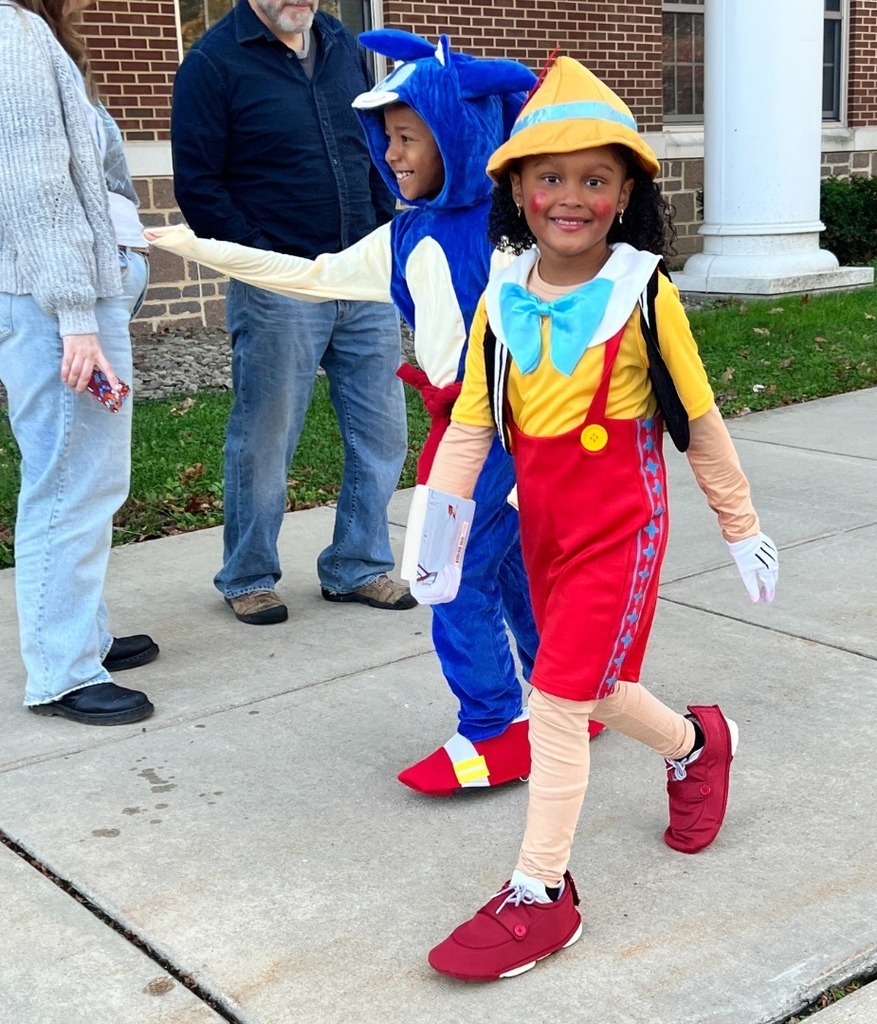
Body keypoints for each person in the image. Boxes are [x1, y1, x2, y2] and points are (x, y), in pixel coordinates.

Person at [148, 31, 604, 795]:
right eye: (384, 138)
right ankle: (567, 699)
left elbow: (578, 338)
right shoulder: (405, 234)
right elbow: (313, 275)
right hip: (460, 430)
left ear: (455, 133)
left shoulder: (516, 240)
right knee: (509, 572)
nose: (390, 154)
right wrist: (199, 247)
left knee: (448, 578)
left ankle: (494, 732)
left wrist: (554, 451)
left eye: (405, 137)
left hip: (514, 437)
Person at [404, 57, 779, 981]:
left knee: (560, 699)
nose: (570, 197)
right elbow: (469, 426)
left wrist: (740, 526)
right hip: (547, 532)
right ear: (517, 188)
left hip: (622, 529)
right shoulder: (503, 294)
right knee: (598, 685)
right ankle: (697, 743)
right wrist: (439, 533)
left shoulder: (644, 293)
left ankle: (542, 893)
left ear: (624, 196)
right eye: (550, 177)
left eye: (594, 179)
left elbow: (697, 422)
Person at [170, 0, 414, 625]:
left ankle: (357, 565)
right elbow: (199, 184)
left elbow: (373, 149)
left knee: (381, 429)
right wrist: (264, 259)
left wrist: (386, 232)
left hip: (361, 274)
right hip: (279, 284)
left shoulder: (341, 45)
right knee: (266, 435)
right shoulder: (213, 62)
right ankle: (248, 574)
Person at [0, 0, 158, 725]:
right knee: (71, 482)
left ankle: (79, 636)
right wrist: (76, 316)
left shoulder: (28, 36)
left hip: (54, 300)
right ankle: (62, 672)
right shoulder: (15, 31)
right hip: (56, 306)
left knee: (78, 476)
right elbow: (37, 184)